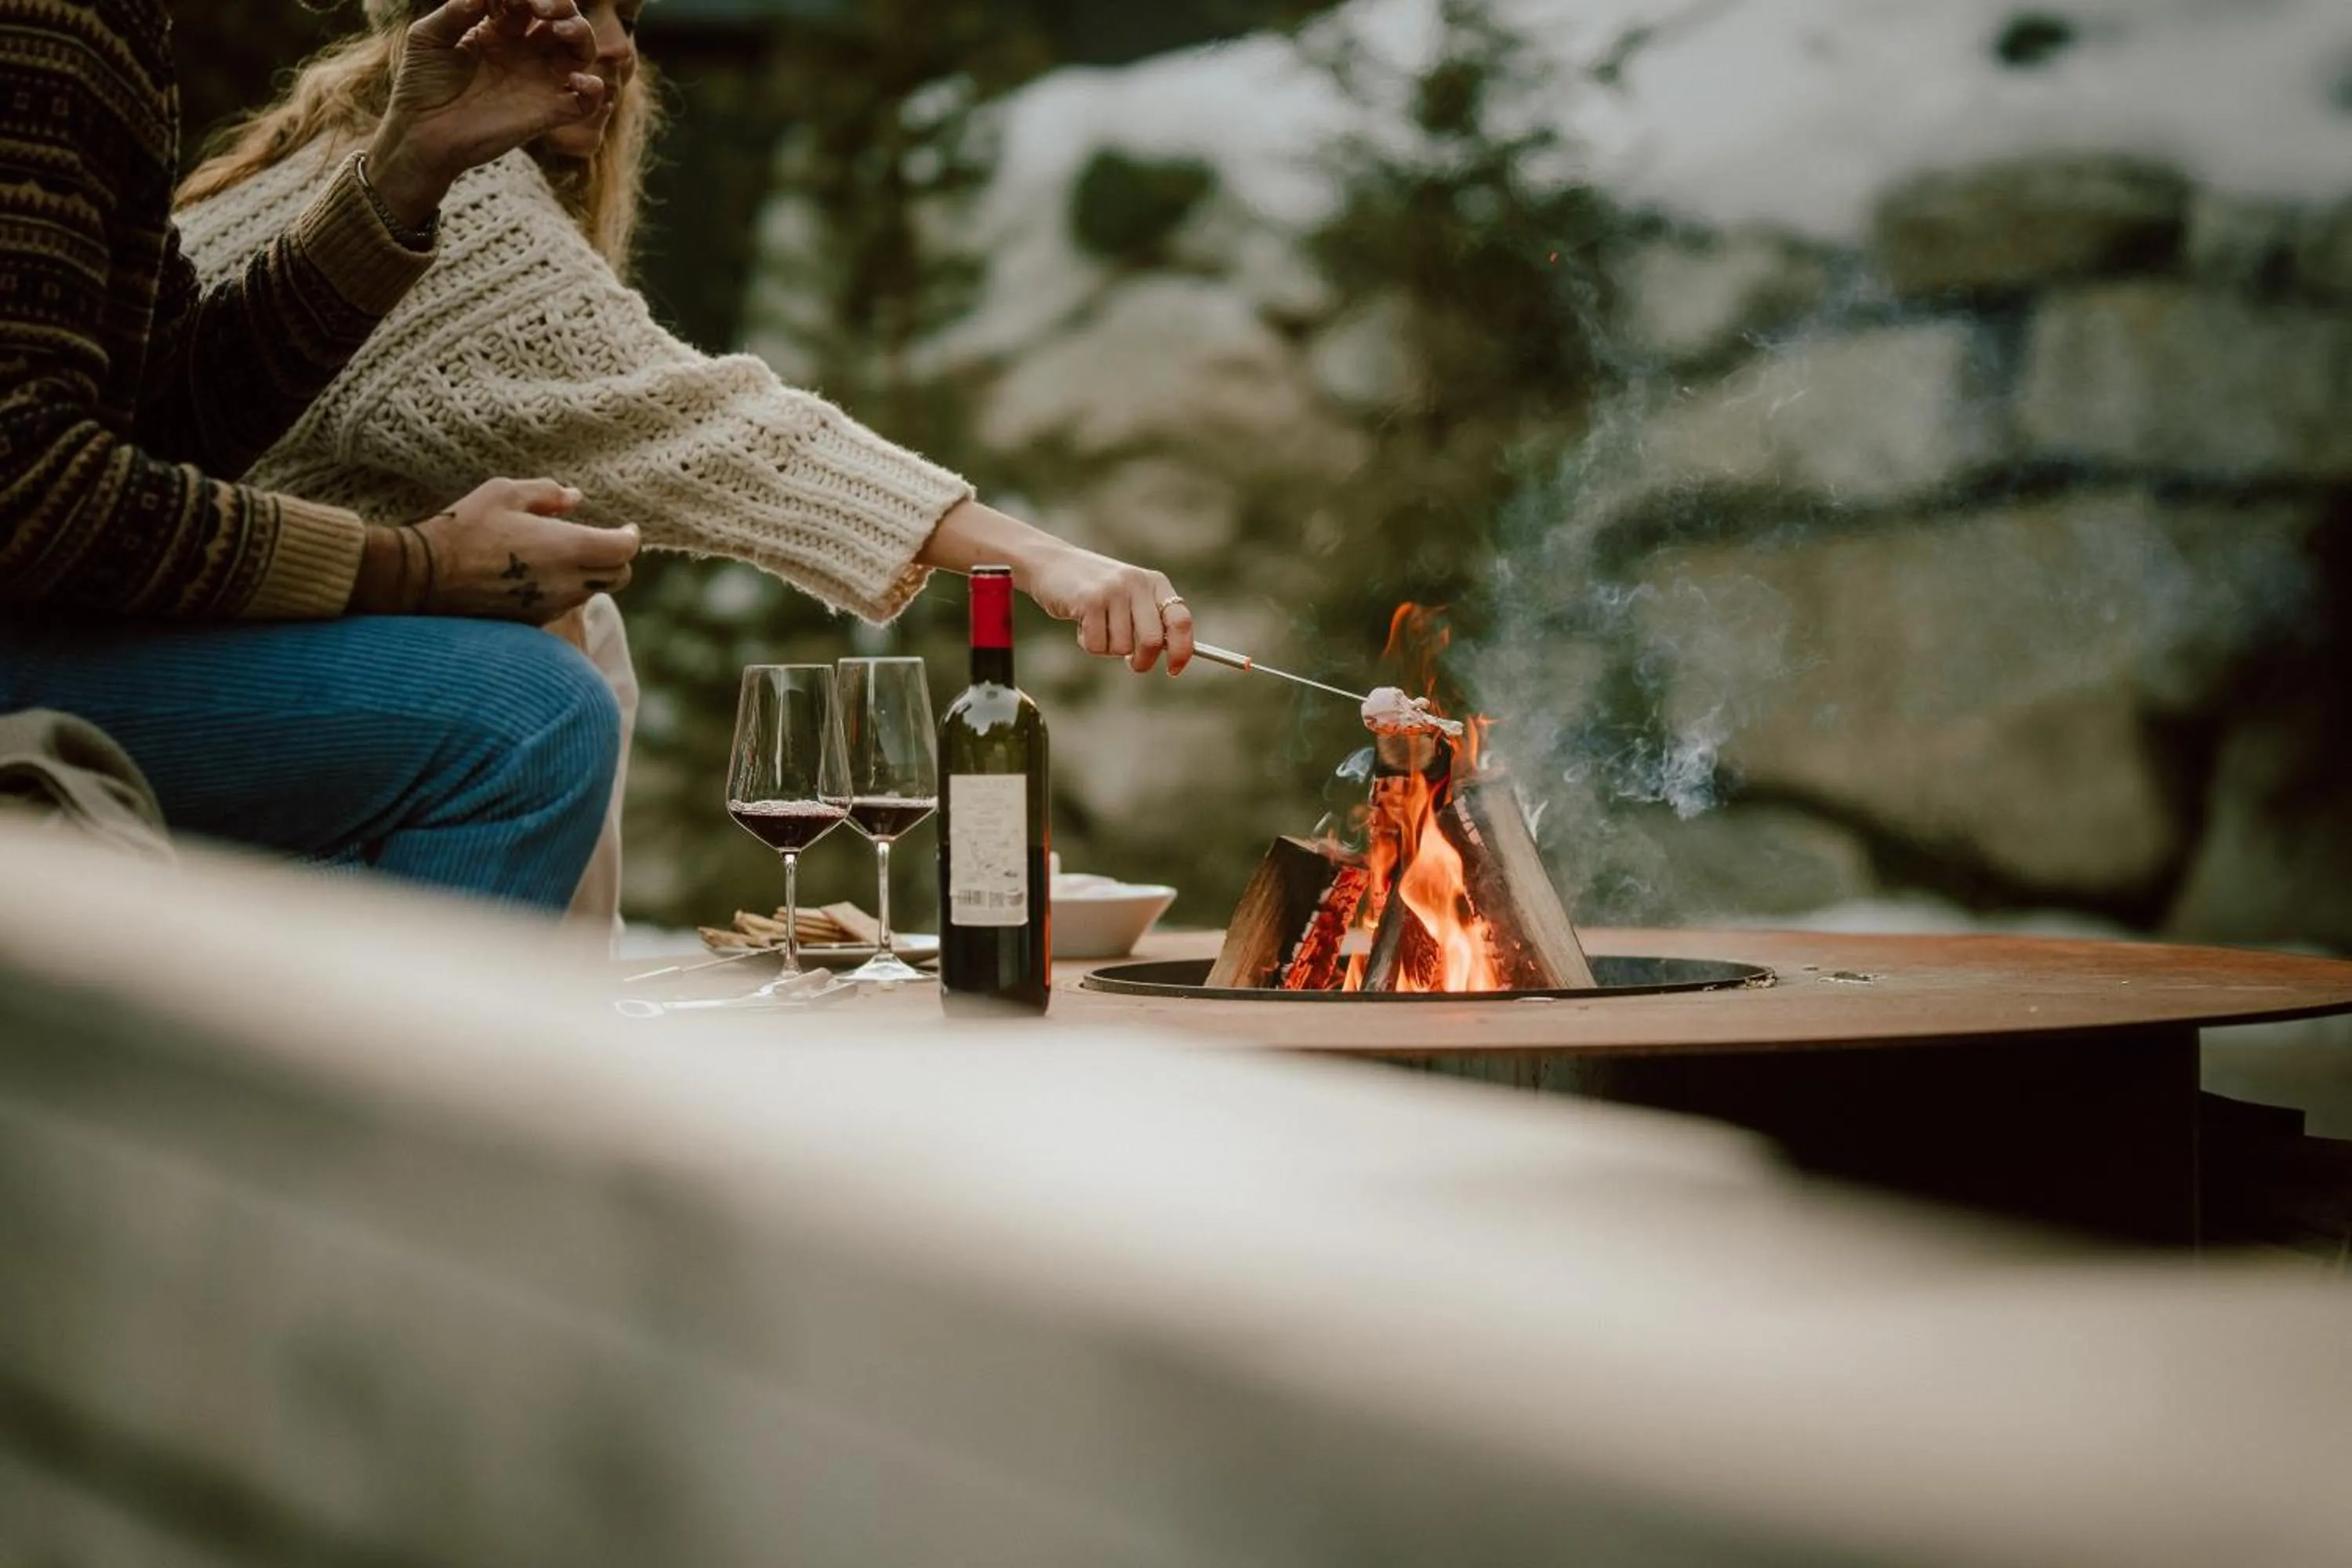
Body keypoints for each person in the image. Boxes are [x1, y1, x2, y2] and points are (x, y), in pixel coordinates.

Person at [172, 0, 1201, 932]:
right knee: (541, 690)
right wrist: (1045, 561)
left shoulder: (311, 167)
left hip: (188, 647)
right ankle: (476, 1070)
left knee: (580, 630)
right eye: (572, 8)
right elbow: (715, 432)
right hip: (153, 670)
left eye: (627, 9)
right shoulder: (460, 203)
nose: (616, 46)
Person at [0, 0, 649, 910]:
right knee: (530, 719)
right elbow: (27, 484)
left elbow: (162, 412)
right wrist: (411, 567)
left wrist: (404, 171)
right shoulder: (55, 22)